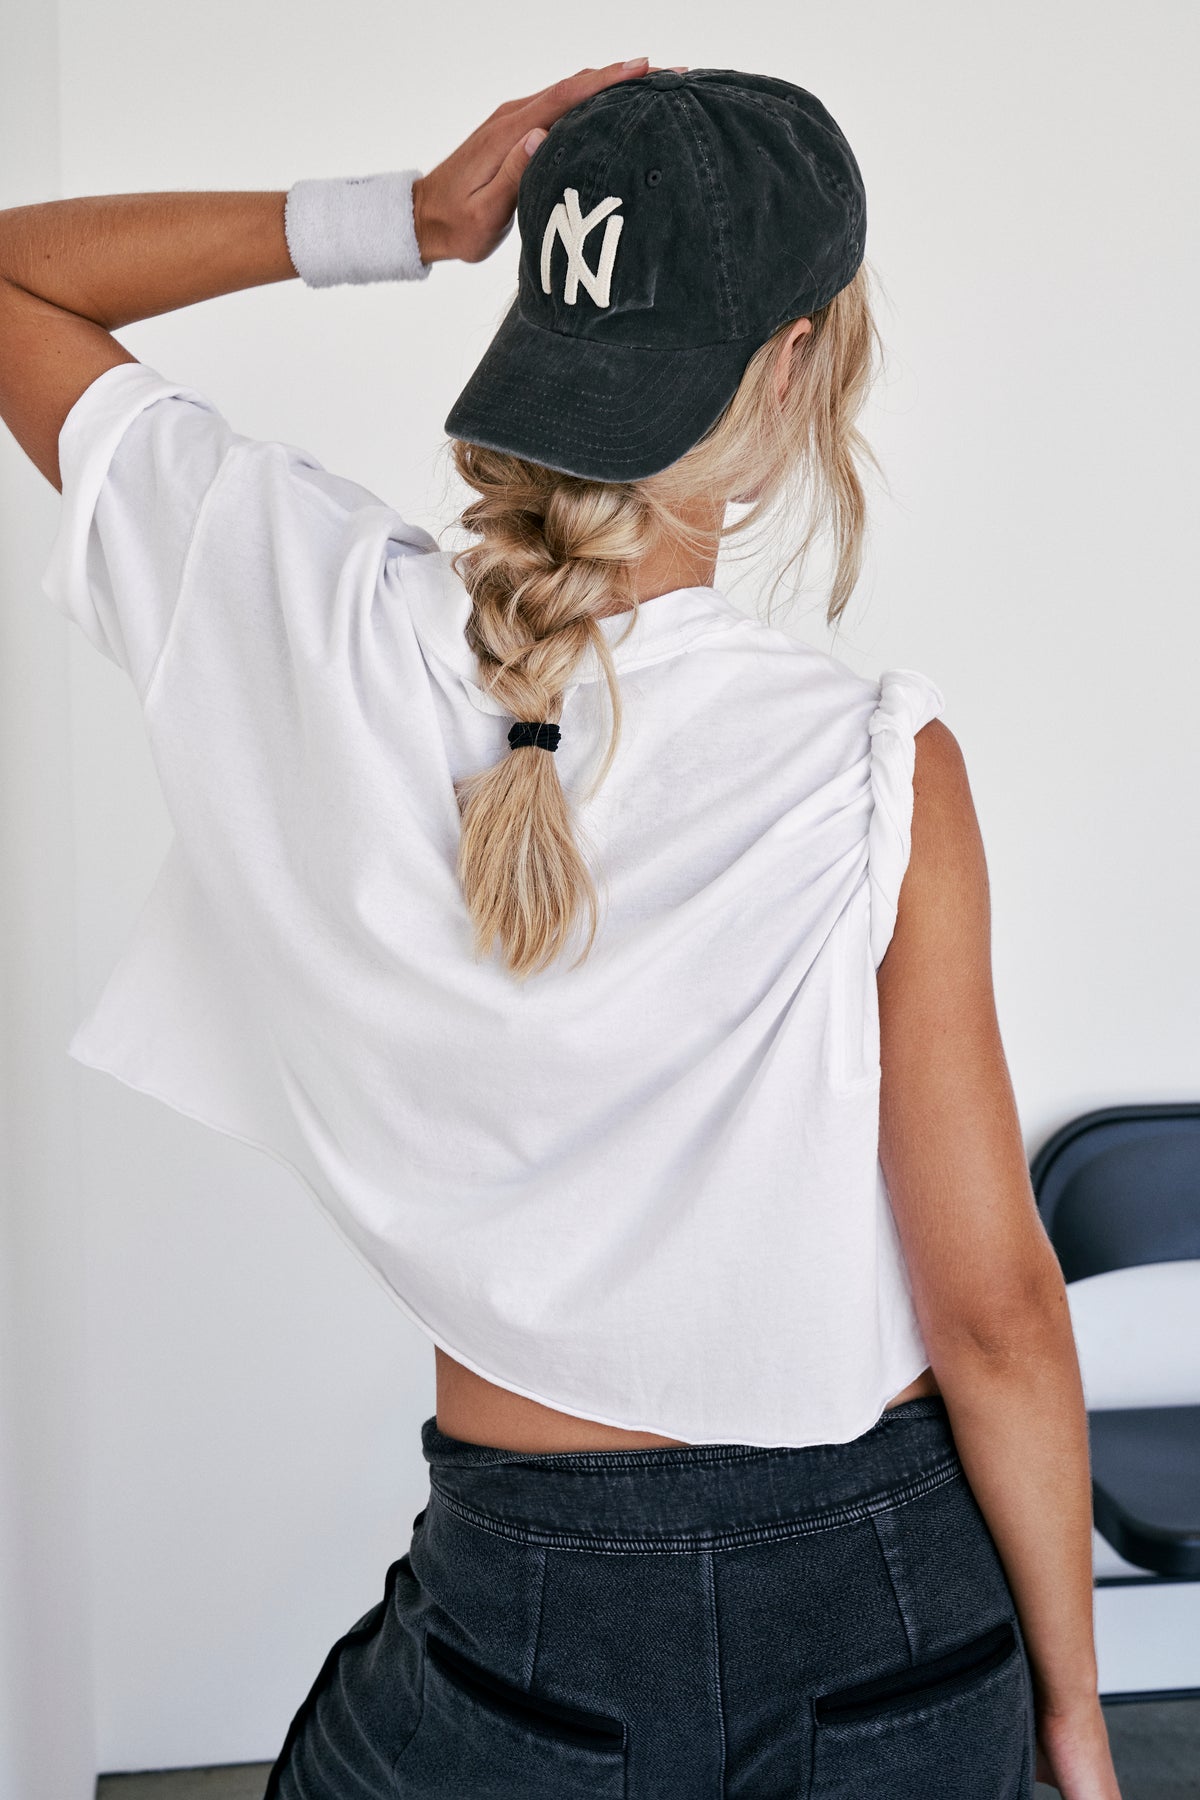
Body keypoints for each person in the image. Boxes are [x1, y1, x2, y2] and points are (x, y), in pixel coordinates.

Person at [0, 55, 1121, 1800]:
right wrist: (1074, 1717)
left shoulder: (299, 613)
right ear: (794, 365)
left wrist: (401, 219)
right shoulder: (876, 766)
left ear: (538, 318)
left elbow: (14, 278)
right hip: (889, 1602)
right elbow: (993, 1315)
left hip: (530, 1622)